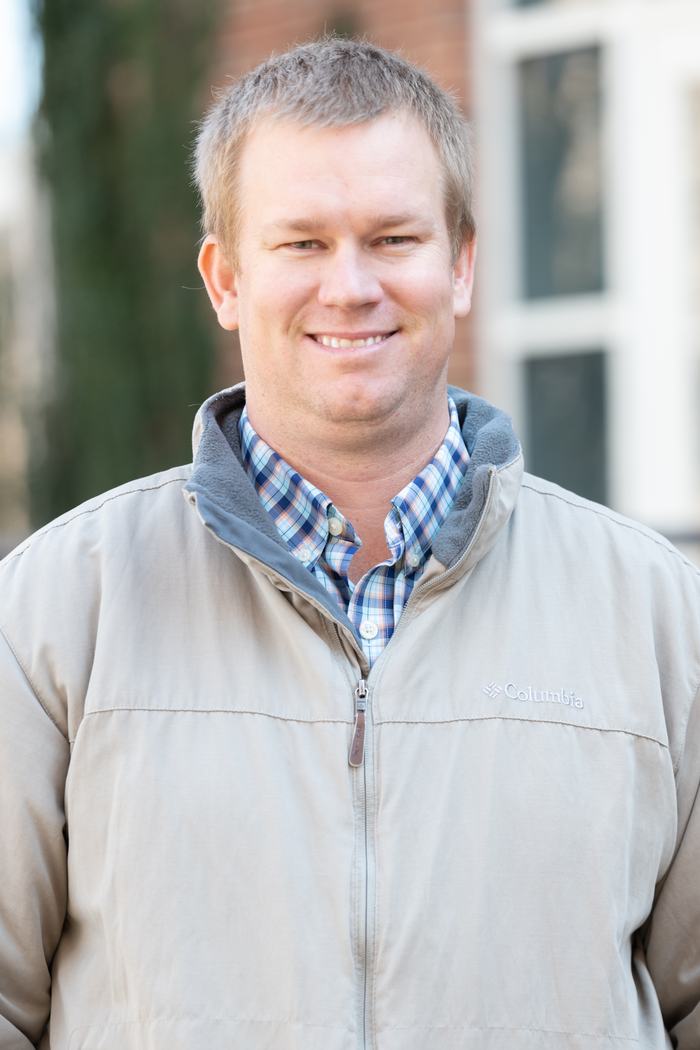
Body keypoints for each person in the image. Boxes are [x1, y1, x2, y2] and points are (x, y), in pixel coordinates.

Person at [1, 37, 698, 1050]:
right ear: (225, 278)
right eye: (301, 244)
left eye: (391, 238)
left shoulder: (652, 611)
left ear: (458, 264)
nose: (351, 285)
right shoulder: (56, 611)